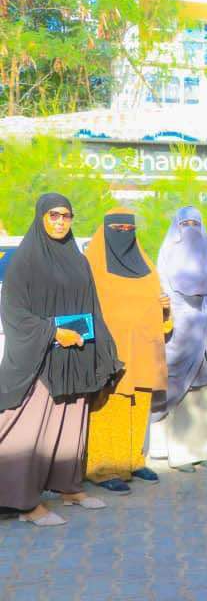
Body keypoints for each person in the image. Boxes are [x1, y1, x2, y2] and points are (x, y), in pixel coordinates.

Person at [0, 194, 122, 526]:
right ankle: (25, 503)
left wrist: (104, 348)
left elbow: (93, 305)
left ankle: (69, 488)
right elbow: (13, 314)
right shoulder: (24, 260)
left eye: (66, 216)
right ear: (41, 217)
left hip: (77, 353)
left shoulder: (77, 259)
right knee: (31, 431)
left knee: (70, 425)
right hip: (42, 357)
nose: (59, 221)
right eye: (53, 215)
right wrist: (54, 332)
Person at [84, 208, 170, 494]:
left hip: (143, 348)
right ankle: (103, 467)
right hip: (111, 351)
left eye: (128, 229)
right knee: (111, 406)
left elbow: (158, 304)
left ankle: (133, 460)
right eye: (117, 228)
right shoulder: (93, 265)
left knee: (139, 402)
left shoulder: (145, 264)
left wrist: (165, 308)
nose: (124, 234)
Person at [150, 207, 207, 473]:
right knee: (181, 391)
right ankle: (182, 454)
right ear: (176, 226)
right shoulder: (167, 254)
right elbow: (166, 293)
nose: (191, 228)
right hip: (181, 333)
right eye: (186, 223)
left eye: (196, 223)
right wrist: (192, 321)